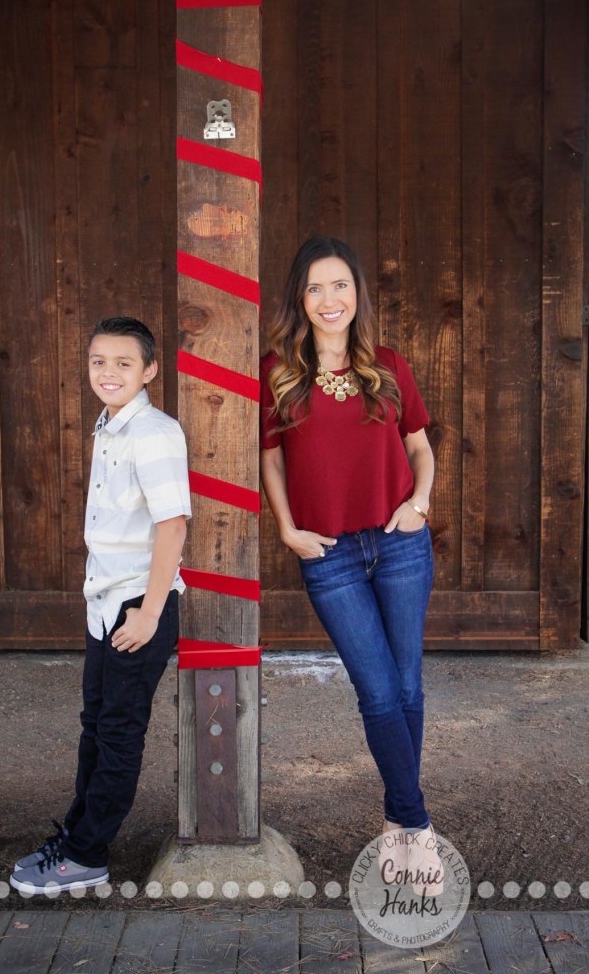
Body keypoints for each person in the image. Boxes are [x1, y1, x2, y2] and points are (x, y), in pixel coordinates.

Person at [260, 236, 442, 895]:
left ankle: (399, 824)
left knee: (407, 687)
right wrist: (286, 529)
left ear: (357, 293)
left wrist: (420, 504)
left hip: (399, 543)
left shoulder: (387, 365)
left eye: (340, 285)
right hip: (330, 555)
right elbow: (271, 458)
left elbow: (419, 446)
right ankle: (416, 825)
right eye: (315, 288)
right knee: (378, 691)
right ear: (299, 299)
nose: (329, 299)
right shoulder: (278, 372)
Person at [10, 316, 191, 895]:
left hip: (139, 606)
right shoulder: (108, 426)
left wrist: (150, 613)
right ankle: (75, 836)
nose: (109, 372)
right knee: (95, 725)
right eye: (99, 361)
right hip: (106, 604)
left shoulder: (154, 433)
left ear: (149, 370)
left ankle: (87, 855)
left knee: (117, 733)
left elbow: (172, 526)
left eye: (123, 363)